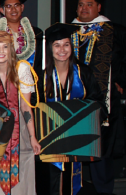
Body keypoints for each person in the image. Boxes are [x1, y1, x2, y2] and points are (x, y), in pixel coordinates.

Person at [37, 23, 106, 195]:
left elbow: (97, 101)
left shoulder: (84, 73)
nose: (62, 49)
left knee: (72, 181)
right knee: (49, 182)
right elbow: (33, 107)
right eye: (57, 45)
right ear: (50, 48)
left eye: (66, 44)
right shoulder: (41, 76)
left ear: (71, 47)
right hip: (49, 142)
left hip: (76, 140)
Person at [70, 0, 126, 195]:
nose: (84, 9)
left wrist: (121, 80)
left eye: (89, 5)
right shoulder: (69, 31)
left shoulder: (114, 31)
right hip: (75, 101)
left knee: (101, 150)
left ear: (99, 7)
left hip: (105, 102)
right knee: (73, 146)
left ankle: (104, 191)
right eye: (81, 5)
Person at [0, 31, 41, 195]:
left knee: (21, 171)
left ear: (11, 49)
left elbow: (26, 107)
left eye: (5, 47)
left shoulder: (21, 69)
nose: (1, 51)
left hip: (18, 129)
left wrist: (32, 136)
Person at [0, 0, 42, 72]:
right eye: (8, 6)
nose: (13, 10)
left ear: (22, 7)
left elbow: (40, 62)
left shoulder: (36, 34)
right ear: (2, 10)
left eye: (16, 5)